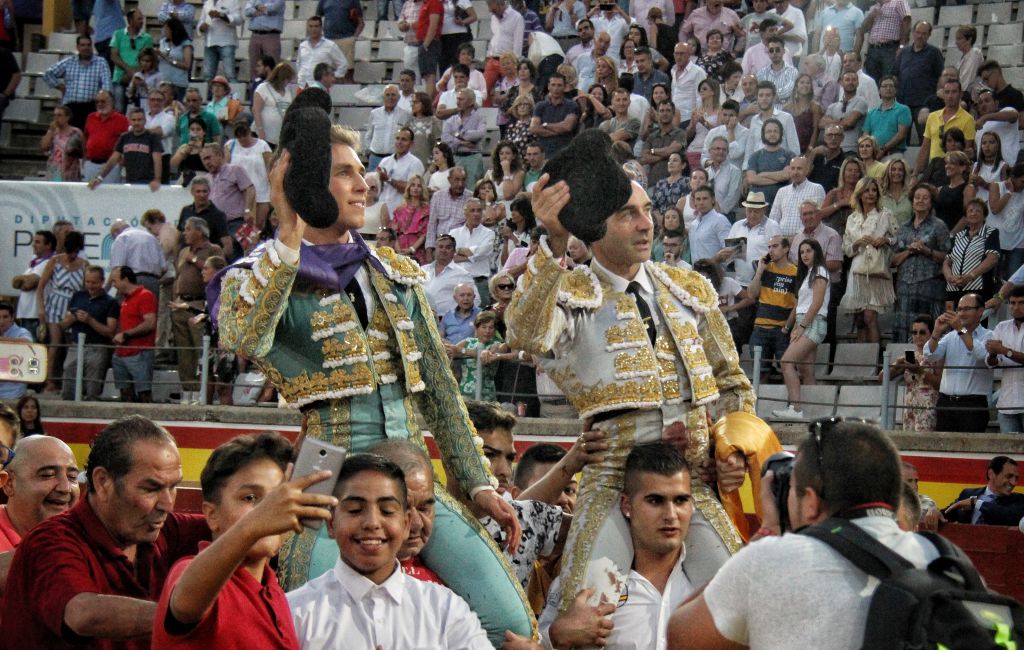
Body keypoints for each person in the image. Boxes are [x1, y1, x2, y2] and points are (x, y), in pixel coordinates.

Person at [212, 121, 532, 641]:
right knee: (319, 629)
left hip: (411, 473)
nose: (364, 185)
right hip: (326, 472)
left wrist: (475, 481)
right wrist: (287, 227)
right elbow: (243, 336)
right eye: (344, 174)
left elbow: (439, 388)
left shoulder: (393, 272)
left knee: (510, 624)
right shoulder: (267, 271)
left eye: (362, 173)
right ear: (308, 187)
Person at [506, 130, 763, 627]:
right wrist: (554, 242)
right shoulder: (572, 289)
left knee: (741, 607)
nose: (647, 224)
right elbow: (525, 332)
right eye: (628, 214)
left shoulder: (688, 288)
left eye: (647, 210)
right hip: (613, 481)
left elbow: (733, 383)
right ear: (595, 227)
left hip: (691, 480)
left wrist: (732, 452)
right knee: (590, 611)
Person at [668, 419, 942, 649]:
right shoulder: (944, 559)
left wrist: (770, 531)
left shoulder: (772, 560)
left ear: (810, 502)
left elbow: (681, 636)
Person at [2, 416, 211, 645]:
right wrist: (184, 616)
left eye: (173, 487)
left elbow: (227, 528)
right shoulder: (50, 541)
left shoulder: (165, 530)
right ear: (102, 482)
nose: (167, 504)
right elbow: (83, 614)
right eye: (150, 488)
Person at [286, 453, 492, 647]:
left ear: (405, 523)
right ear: (331, 523)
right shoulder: (297, 612)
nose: (372, 523)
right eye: (355, 510)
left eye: (387, 511)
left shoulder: (445, 609)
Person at [152, 431, 334, 647]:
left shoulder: (273, 590)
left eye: (278, 498)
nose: (272, 509)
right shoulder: (190, 572)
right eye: (250, 498)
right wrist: (256, 523)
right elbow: (184, 602)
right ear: (211, 515)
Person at [536, 442, 696, 649]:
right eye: (655, 501)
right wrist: (555, 637)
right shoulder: (584, 582)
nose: (671, 515)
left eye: (681, 500)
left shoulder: (705, 582)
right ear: (627, 505)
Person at [772, 239, 830, 420]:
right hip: (805, 321)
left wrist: (801, 327)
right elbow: (800, 305)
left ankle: (795, 409)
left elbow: (817, 303)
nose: (805, 255)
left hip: (812, 322)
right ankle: (814, 413)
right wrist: (792, 325)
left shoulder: (820, 271)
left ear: (816, 252)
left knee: (786, 362)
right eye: (802, 252)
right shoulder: (808, 273)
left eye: (808, 251)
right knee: (806, 370)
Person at [924, 293, 994, 434]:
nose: (961, 313)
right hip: (946, 402)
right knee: (944, 450)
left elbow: (981, 354)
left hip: (973, 404)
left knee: (970, 450)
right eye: (959, 309)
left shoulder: (989, 335)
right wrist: (936, 331)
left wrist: (960, 329)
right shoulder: (950, 337)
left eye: (967, 309)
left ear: (980, 311)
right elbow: (930, 355)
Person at [840, 176, 897, 343]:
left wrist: (885, 240)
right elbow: (847, 248)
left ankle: (875, 360)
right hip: (857, 270)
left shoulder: (885, 214)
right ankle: (861, 360)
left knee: (870, 316)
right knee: (859, 320)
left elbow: (899, 239)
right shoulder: (852, 218)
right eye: (867, 190)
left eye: (874, 190)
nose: (871, 194)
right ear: (859, 193)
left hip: (876, 270)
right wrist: (857, 243)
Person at [890, 183, 949, 343]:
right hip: (904, 286)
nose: (920, 201)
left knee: (927, 329)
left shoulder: (939, 226)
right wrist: (910, 251)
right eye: (917, 197)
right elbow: (893, 260)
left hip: (930, 286)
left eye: (925, 198)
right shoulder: (902, 228)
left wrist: (925, 250)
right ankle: (905, 364)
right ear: (912, 200)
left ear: (931, 202)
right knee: (905, 330)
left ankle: (927, 364)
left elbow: (947, 257)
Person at [0, 435, 79, 552]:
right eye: (48, 475)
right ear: (9, 483)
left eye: (72, 477)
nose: (65, 487)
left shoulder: (85, 540)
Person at [56, 265, 119, 402]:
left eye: (94, 282)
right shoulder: (77, 296)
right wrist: (71, 319)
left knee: (93, 385)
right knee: (68, 377)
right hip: (75, 345)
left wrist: (90, 320)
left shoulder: (111, 302)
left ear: (102, 281)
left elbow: (110, 332)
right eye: (87, 282)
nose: (90, 286)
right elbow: (63, 324)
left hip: (97, 347)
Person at [36, 231, 88, 393]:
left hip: (73, 305)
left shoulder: (84, 264)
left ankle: (68, 382)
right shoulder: (55, 261)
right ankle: (49, 381)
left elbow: (86, 290)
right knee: (55, 344)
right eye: (71, 250)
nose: (73, 254)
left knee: (70, 345)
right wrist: (41, 308)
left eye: (76, 251)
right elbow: (41, 286)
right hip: (55, 303)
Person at [748, 235, 798, 372]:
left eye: (775, 246)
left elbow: (797, 304)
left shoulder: (796, 272)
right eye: (769, 247)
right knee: (760, 371)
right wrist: (759, 271)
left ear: (786, 248)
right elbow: (752, 294)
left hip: (781, 329)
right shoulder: (764, 268)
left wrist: (787, 328)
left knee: (787, 370)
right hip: (760, 328)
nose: (771, 250)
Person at [41, 35, 111, 129]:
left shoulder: (101, 62)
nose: (86, 47)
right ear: (77, 47)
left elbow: (106, 84)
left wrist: (103, 97)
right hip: (70, 107)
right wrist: (59, 85)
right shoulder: (69, 61)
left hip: (91, 107)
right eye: (82, 45)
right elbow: (48, 74)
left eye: (88, 45)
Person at [88, 106, 164, 191]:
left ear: (145, 121)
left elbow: (157, 160)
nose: (136, 123)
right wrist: (100, 177)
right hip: (129, 181)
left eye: (139, 120)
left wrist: (157, 179)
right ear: (129, 121)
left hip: (147, 183)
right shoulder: (124, 137)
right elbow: (113, 159)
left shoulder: (152, 137)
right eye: (134, 120)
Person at [943, 198, 1000, 308]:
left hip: (977, 289)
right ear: (966, 215)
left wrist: (970, 276)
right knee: (952, 322)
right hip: (953, 289)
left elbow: (992, 259)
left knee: (974, 322)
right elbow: (947, 261)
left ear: (984, 216)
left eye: (978, 211)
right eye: (970, 211)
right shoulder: (958, 236)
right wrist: (949, 277)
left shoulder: (991, 233)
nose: (974, 213)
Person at [915, 79, 975, 181]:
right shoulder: (932, 117)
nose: (950, 96)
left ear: (960, 94)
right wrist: (914, 175)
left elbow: (966, 151)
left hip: (955, 171)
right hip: (934, 169)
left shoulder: (968, 119)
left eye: (954, 92)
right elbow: (925, 148)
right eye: (947, 92)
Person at [984, 286, 1024, 434]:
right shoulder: (959, 331)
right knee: (1009, 454)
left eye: (1021, 303)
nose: (1016, 307)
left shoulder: (984, 332)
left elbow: (975, 348)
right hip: (1007, 403)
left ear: (978, 312)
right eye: (1012, 303)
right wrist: (993, 354)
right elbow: (989, 362)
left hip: (975, 401)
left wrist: (1003, 351)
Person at [895, 21, 944, 142]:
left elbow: (941, 76)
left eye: (924, 33)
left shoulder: (934, 53)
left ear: (929, 35)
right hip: (903, 104)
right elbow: (894, 74)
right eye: (917, 32)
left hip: (923, 105)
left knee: (925, 139)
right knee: (901, 141)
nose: (920, 36)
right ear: (913, 32)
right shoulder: (904, 52)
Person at [944, 456, 1024, 526]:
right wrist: (934, 513)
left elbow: (1009, 516)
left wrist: (977, 503)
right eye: (1009, 476)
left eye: (1016, 478)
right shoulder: (968, 494)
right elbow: (947, 513)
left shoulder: (1020, 500)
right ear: (991, 474)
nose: (1014, 483)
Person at [11, 230, 55, 337]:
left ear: (48, 245)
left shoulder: (49, 262)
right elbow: (15, 284)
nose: (33, 245)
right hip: (25, 314)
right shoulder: (35, 262)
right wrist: (20, 280)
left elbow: (29, 284)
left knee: (33, 349)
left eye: (38, 242)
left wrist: (20, 279)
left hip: (35, 315)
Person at [455, 311, 507, 400]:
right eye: (484, 327)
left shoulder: (498, 345)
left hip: (486, 394)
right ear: (477, 328)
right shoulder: (468, 342)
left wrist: (463, 350)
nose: (487, 331)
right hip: (465, 393)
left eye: (491, 328)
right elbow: (453, 351)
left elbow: (486, 357)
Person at [769, 156, 825, 237]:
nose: (795, 172)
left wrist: (798, 238)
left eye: (799, 169)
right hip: (782, 241)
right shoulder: (782, 191)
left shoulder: (816, 189)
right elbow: (773, 219)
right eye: (793, 168)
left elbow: (817, 218)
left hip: (805, 239)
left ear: (807, 170)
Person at [745, 118, 795, 210]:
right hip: (757, 205)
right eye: (769, 131)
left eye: (776, 131)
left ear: (781, 134)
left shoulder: (789, 155)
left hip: (782, 204)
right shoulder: (755, 156)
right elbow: (752, 179)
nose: (772, 134)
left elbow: (787, 175)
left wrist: (762, 175)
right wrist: (779, 178)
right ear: (763, 134)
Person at [81, 89, 129, 184]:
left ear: (112, 102)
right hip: (91, 164)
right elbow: (85, 138)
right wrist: (84, 158)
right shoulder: (90, 117)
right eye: (97, 101)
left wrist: (122, 161)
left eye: (103, 101)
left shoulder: (122, 120)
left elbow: (127, 142)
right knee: (88, 194)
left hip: (111, 166)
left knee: (110, 195)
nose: (100, 104)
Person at [530, 73, 580, 158]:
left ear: (564, 87)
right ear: (548, 86)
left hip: (564, 152)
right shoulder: (540, 106)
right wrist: (558, 131)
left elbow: (567, 126)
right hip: (544, 153)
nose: (556, 88)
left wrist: (545, 125)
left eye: (559, 85)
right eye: (553, 85)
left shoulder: (572, 105)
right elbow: (534, 128)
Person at [366, 85, 413, 171]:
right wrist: (369, 151)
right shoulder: (374, 113)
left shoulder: (405, 115)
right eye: (387, 95)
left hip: (395, 158)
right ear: (383, 97)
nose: (390, 98)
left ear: (399, 97)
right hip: (375, 158)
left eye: (393, 95)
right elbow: (369, 135)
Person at [822, 71, 868, 155]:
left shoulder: (861, 102)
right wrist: (841, 120)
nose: (850, 82)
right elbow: (821, 124)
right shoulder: (832, 106)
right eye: (847, 80)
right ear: (841, 83)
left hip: (851, 149)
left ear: (858, 83)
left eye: (854, 80)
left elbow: (849, 123)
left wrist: (831, 124)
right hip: (832, 150)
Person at [252, 62, 295, 148]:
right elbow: (256, 111)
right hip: (264, 135)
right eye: (287, 79)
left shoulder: (288, 91)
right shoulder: (263, 88)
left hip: (280, 137)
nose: (289, 82)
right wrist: (260, 131)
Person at [296, 16, 348, 87]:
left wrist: (332, 77)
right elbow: (299, 64)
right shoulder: (302, 45)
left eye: (316, 26)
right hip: (302, 85)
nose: (313, 29)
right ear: (307, 28)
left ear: (321, 28)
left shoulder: (330, 45)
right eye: (311, 26)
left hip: (320, 86)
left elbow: (343, 63)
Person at [155, 16, 194, 101]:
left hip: (178, 84)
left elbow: (187, 65)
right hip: (163, 82)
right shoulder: (163, 42)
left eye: (167, 29)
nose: (164, 31)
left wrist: (168, 59)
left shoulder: (186, 44)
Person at [41, 105, 84, 182]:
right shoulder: (52, 131)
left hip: (71, 170)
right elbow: (44, 147)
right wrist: (50, 131)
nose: (56, 118)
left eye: (59, 115)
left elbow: (84, 151)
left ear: (67, 117)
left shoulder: (76, 132)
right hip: (55, 170)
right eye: (55, 115)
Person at [808, 125, 854, 193]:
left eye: (837, 135)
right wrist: (813, 153)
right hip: (810, 196)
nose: (833, 138)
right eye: (829, 135)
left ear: (842, 138)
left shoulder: (846, 161)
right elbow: (804, 175)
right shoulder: (816, 156)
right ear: (824, 138)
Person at [245, 0, 285, 65]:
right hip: (255, 35)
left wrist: (256, 7)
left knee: (272, 66)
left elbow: (273, 8)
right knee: (254, 66)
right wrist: (263, 9)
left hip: (271, 36)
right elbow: (247, 12)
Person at [879, 157, 911, 226]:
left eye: (900, 170)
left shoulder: (911, 195)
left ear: (904, 173)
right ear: (888, 172)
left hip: (906, 235)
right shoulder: (880, 195)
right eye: (893, 169)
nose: (897, 172)